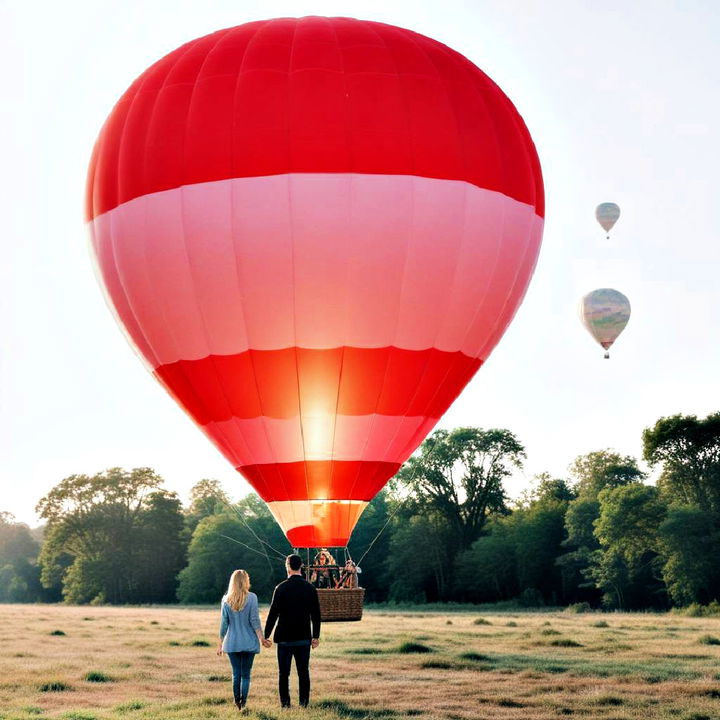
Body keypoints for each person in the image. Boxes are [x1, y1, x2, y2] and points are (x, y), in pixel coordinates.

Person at [264, 554, 321, 708]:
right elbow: (316, 614)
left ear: (287, 566)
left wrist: (265, 635)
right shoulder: (310, 588)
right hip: (303, 637)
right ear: (301, 566)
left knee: (284, 674)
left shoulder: (281, 588)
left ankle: (285, 705)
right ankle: (304, 704)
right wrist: (315, 636)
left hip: (284, 638)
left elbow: (273, 613)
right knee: (304, 673)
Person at [216, 569, 266, 712]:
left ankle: (236, 701)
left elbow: (224, 624)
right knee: (246, 675)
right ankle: (243, 703)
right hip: (249, 642)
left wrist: (220, 643)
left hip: (232, 643)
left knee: (236, 673)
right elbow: (255, 620)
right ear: (246, 581)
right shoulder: (252, 598)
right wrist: (261, 638)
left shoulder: (226, 600)